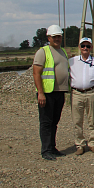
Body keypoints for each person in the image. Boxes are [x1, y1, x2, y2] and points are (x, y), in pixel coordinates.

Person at [32, 25, 70, 161]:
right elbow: (36, 73)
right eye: (54, 37)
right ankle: (46, 150)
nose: (57, 39)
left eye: (59, 36)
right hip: (47, 93)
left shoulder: (62, 52)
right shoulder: (43, 52)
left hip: (59, 92)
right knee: (46, 122)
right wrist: (40, 93)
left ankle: (52, 147)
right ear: (49, 38)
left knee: (54, 121)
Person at [68, 37, 94, 155]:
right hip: (77, 93)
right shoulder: (72, 61)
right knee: (77, 120)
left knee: (92, 120)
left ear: (91, 48)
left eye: (88, 46)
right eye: (83, 46)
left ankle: (92, 143)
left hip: (92, 93)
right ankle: (79, 144)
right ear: (79, 47)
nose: (85, 48)